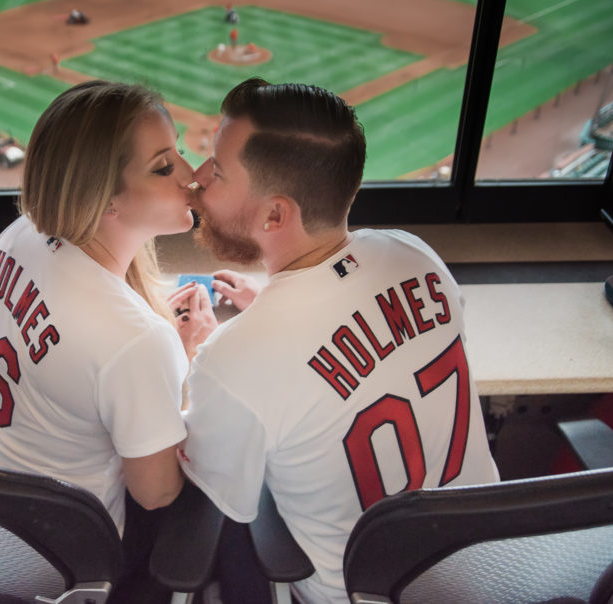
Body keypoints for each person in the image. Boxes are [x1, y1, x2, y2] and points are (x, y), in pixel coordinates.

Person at [172, 77, 500, 603]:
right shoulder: (414, 255)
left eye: (218, 170)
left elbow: (202, 485)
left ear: (275, 214)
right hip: (491, 574)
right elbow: (374, 339)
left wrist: (195, 356)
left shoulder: (232, 361)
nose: (198, 178)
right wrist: (273, 313)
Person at [0, 79, 196, 600]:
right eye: (164, 166)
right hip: (48, 559)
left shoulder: (21, 235)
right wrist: (186, 368)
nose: (192, 176)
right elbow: (157, 492)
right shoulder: (135, 341)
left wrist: (165, 356)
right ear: (105, 201)